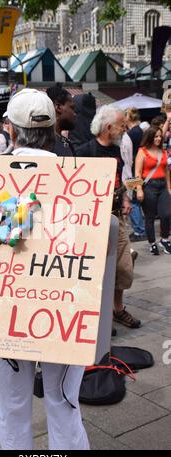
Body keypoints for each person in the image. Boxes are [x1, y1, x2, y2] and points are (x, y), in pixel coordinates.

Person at [0, 89, 90, 451]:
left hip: (7, 310)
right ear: (51, 130)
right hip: (64, 309)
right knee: (64, 402)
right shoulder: (79, 177)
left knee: (12, 405)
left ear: (11, 132)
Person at [76, 105, 141, 329]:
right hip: (95, 221)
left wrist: (125, 199)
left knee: (123, 267)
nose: (124, 129)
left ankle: (117, 309)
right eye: (121, 125)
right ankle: (101, 314)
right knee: (96, 270)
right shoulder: (85, 151)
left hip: (116, 218)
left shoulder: (116, 149)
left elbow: (120, 180)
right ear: (108, 127)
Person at [135, 126, 171, 255]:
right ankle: (152, 243)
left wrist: (169, 187)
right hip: (148, 186)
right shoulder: (142, 151)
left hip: (162, 185)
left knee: (166, 214)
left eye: (160, 136)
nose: (158, 138)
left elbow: (166, 170)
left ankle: (165, 239)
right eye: (156, 136)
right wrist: (139, 189)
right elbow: (137, 172)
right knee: (149, 217)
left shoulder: (163, 151)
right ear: (150, 137)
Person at [123, 108, 147, 242]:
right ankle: (140, 229)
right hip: (139, 169)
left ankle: (139, 230)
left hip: (133, 170)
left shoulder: (132, 133)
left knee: (133, 201)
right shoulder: (140, 131)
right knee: (136, 200)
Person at [46, 84, 76, 156]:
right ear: (58, 107)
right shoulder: (45, 145)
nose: (74, 114)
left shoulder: (65, 142)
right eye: (72, 108)